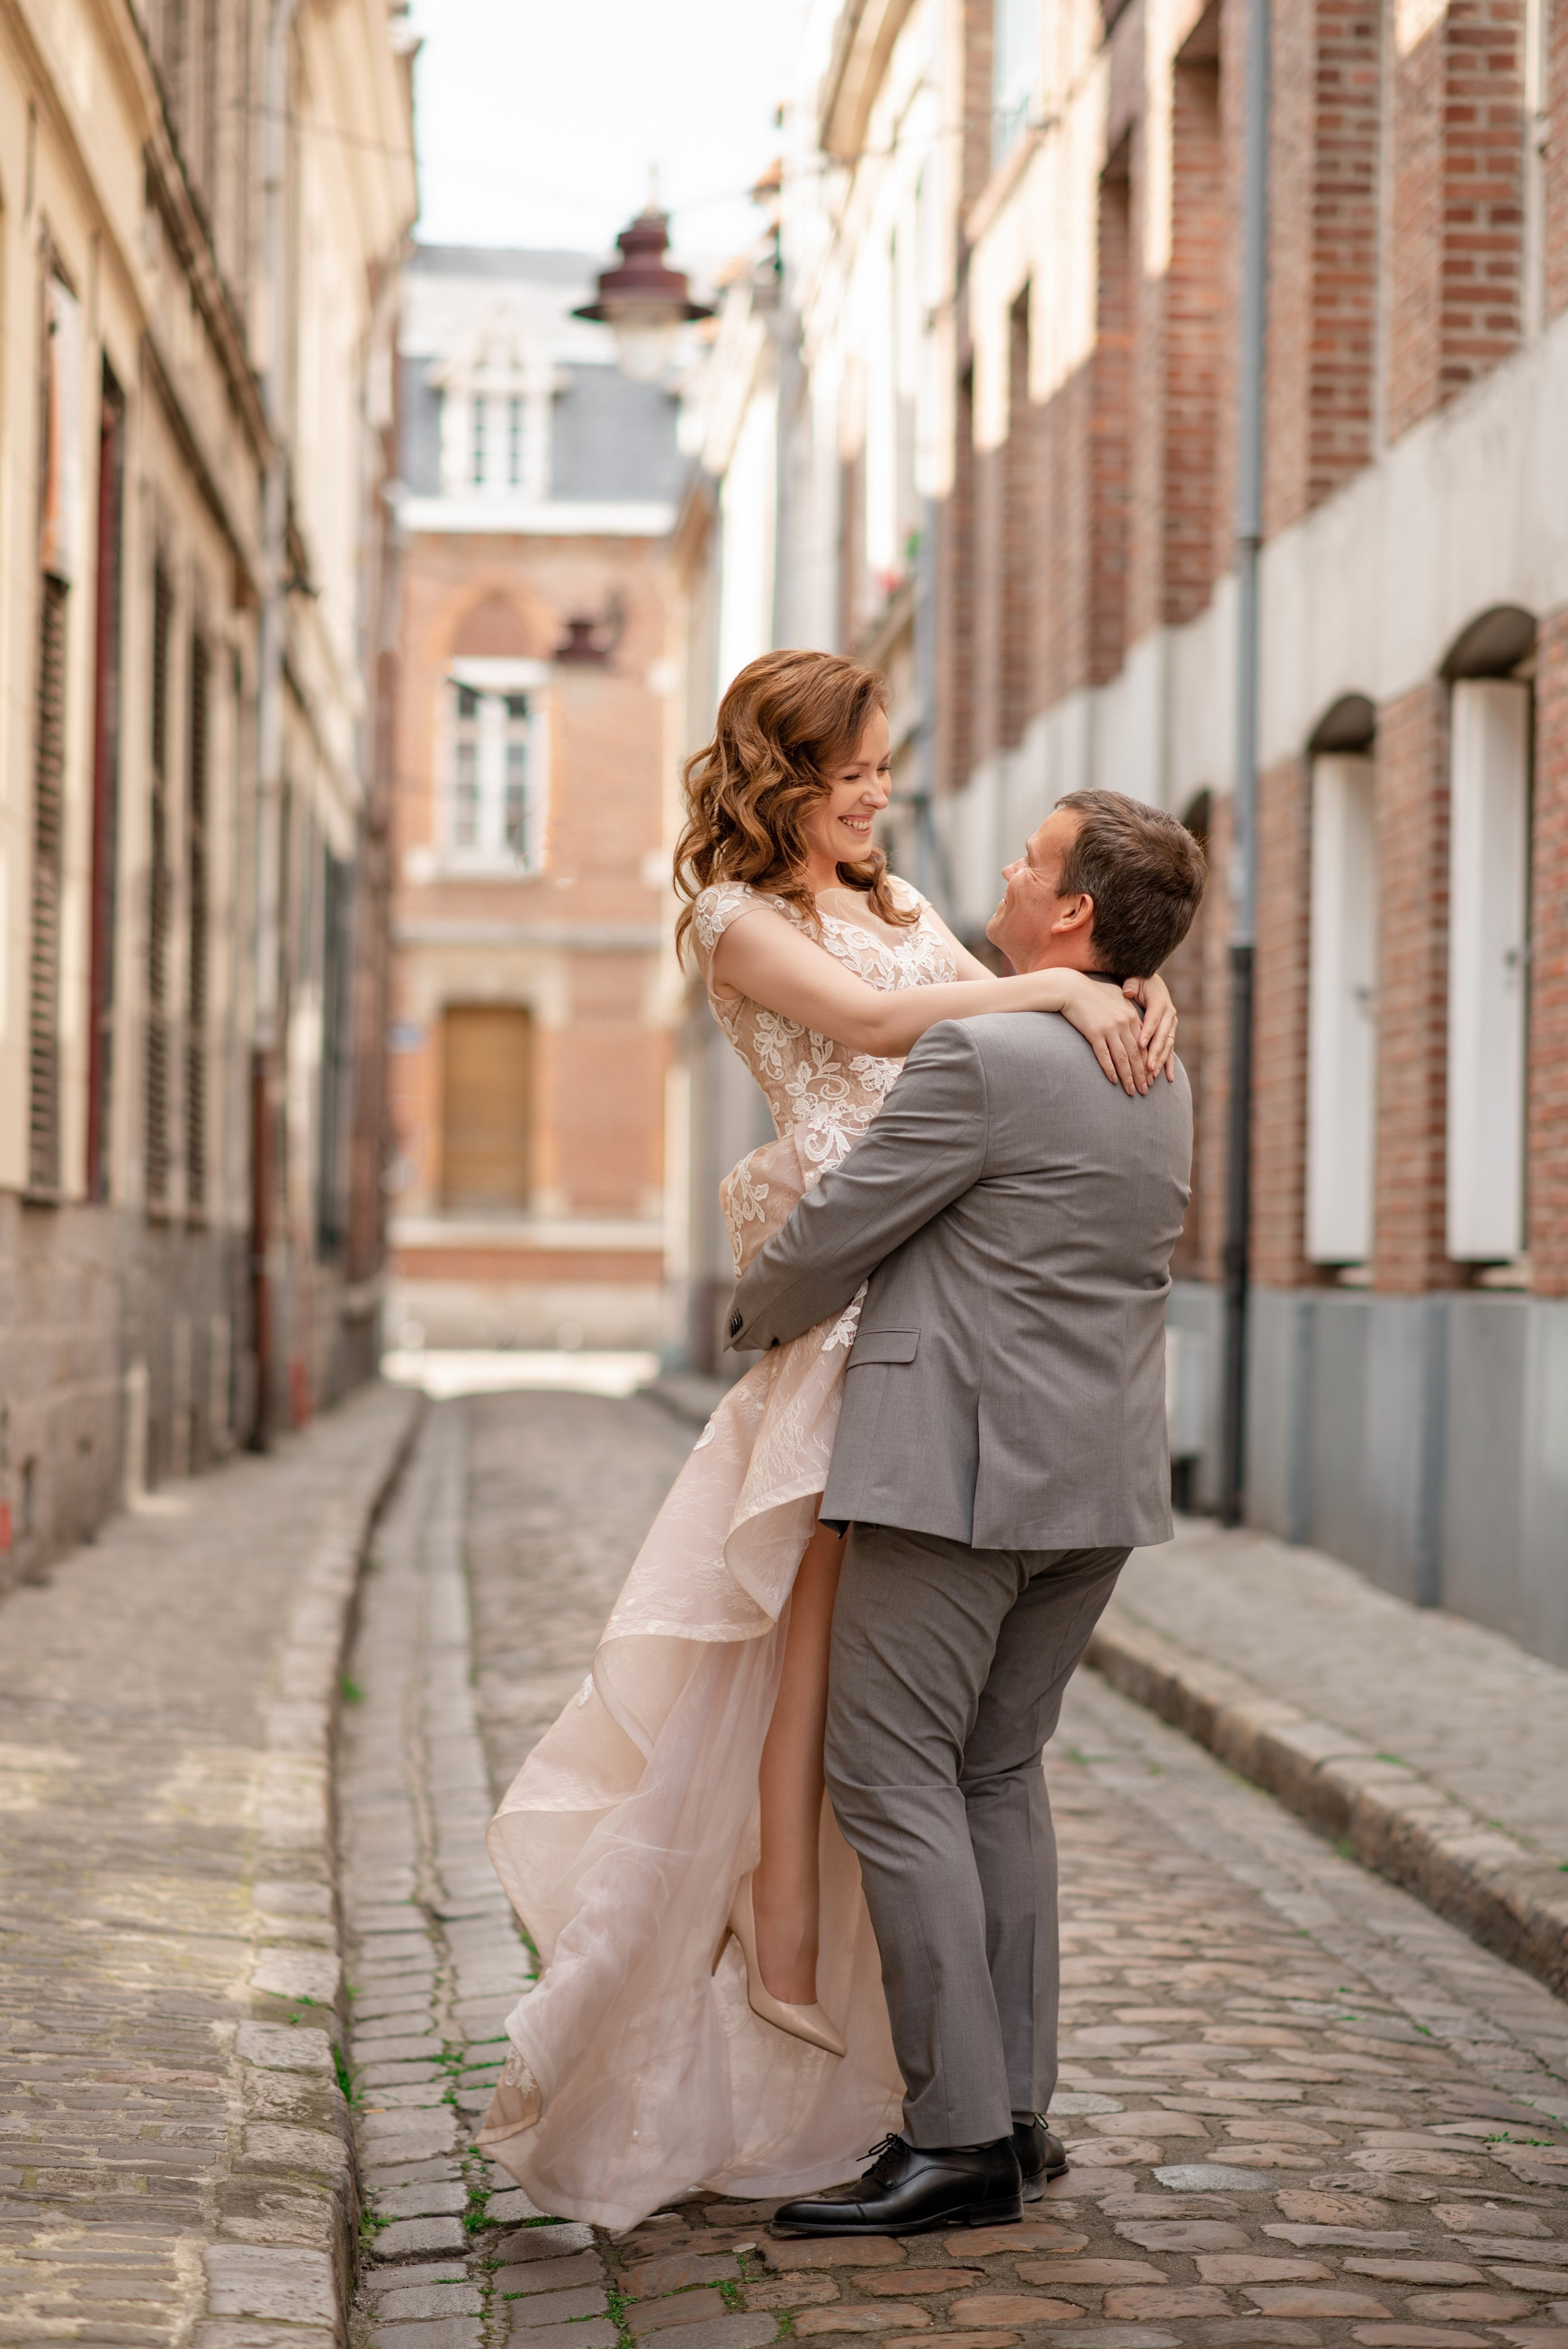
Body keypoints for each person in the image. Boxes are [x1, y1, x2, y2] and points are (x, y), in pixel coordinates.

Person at [476, 649, 1180, 2231]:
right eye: (853, 771)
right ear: (779, 775)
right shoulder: (739, 922)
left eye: (883, 767)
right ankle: (794, 1961)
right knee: (798, 1677)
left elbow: (977, 1012)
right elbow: (876, 1025)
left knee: (886, 1725)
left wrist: (1128, 981)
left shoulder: (907, 899)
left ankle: (907, 2059)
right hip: (853, 1317)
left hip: (927, 1320)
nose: (878, 794)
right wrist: (1066, 982)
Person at [725, 784, 1205, 2236]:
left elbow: (839, 1231)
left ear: (1069, 915)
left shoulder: (992, 1059)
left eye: (1029, 857)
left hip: (957, 1471)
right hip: (1097, 1481)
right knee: (996, 1777)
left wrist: (748, 1312)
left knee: (888, 1777)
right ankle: (1011, 2115)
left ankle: (952, 2142)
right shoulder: (1153, 1060)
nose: (1000, 870)